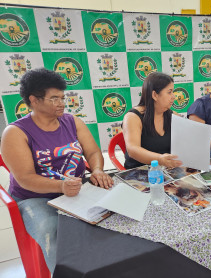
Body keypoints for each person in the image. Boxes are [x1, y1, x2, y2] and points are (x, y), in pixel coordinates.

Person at [0, 68, 114, 274]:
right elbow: (25, 178)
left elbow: (93, 151)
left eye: (62, 97)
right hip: (33, 197)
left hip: (76, 190)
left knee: (111, 215)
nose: (61, 103)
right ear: (34, 100)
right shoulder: (16, 132)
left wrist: (97, 170)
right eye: (54, 99)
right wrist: (60, 186)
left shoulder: (72, 121)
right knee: (51, 230)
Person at [122, 72, 182, 169]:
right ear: (155, 95)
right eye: (169, 92)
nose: (174, 96)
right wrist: (160, 159)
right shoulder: (133, 117)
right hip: (138, 173)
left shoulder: (174, 116)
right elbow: (132, 150)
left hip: (167, 172)